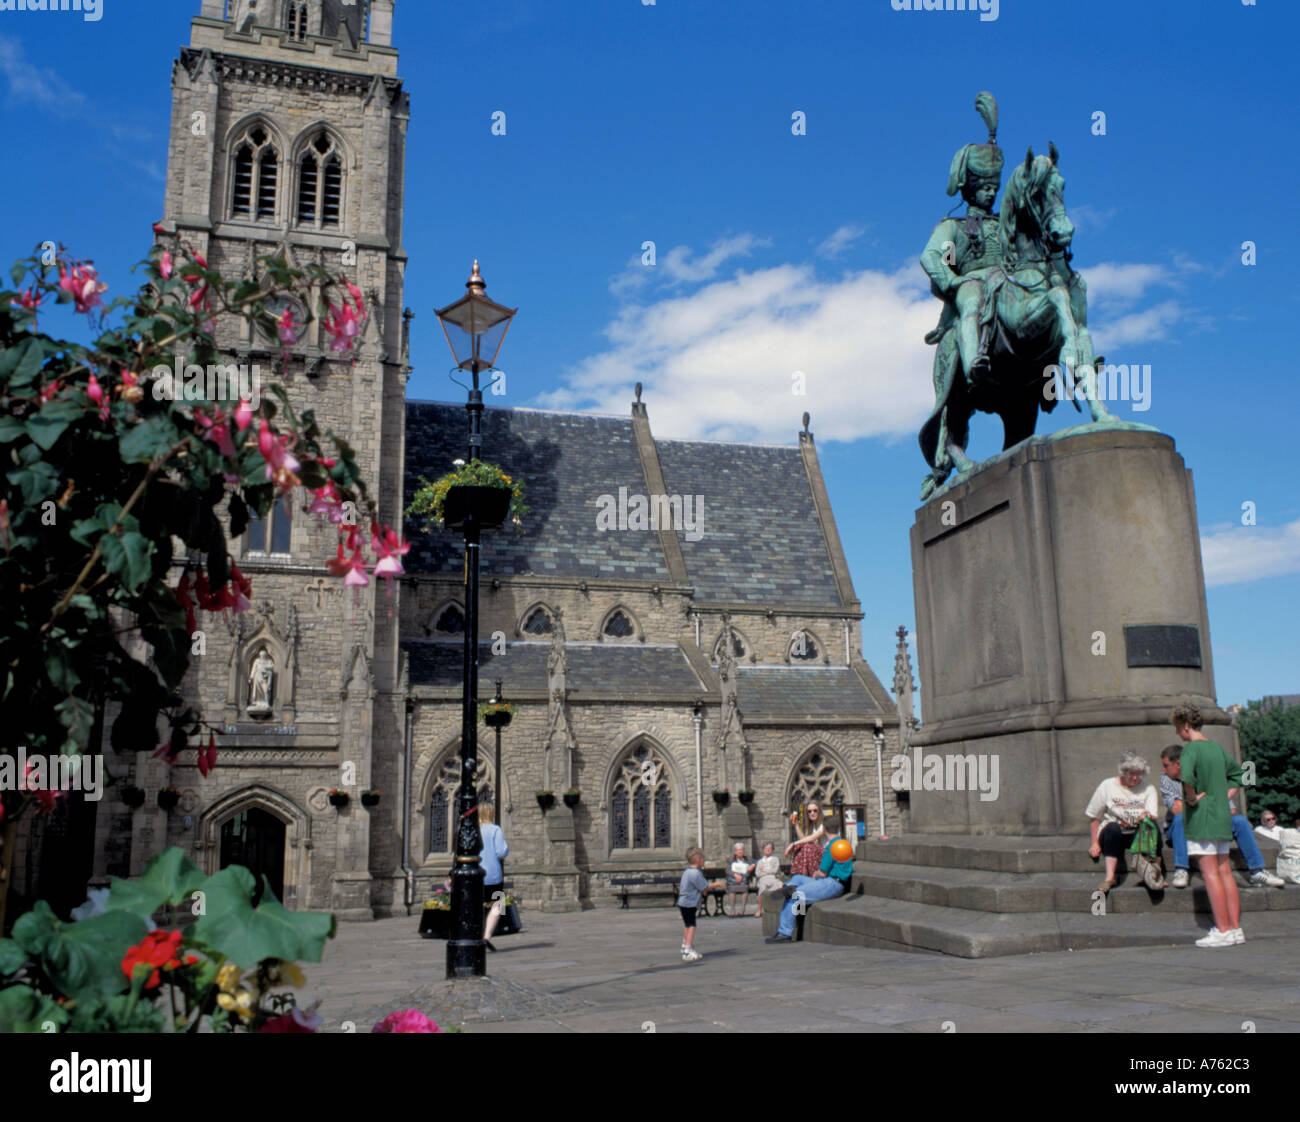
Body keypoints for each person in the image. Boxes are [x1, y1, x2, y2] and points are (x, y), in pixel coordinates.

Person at [1159, 745, 1284, 889]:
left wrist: (1196, 802)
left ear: (1178, 764)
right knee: (1180, 819)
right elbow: (1177, 810)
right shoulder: (1166, 780)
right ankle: (1181, 869)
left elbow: (1230, 810)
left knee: (1240, 821)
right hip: (1183, 827)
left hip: (1210, 823)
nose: (1163, 769)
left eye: (1166, 765)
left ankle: (1257, 871)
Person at [1172, 702, 1243, 947]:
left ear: (1187, 726)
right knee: (1225, 871)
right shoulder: (1216, 748)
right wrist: (1225, 797)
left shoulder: (1191, 749)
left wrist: (1191, 798)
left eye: (1179, 729)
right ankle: (1234, 928)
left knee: (1210, 872)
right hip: (1222, 814)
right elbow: (1239, 775)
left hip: (1201, 816)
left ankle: (1222, 929)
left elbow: (1186, 776)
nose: (1178, 733)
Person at [1085, 752, 1160, 893]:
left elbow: (1152, 814)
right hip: (1113, 830)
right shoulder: (1107, 785)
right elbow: (1094, 816)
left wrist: (1146, 815)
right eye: (1131, 774)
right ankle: (1110, 877)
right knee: (1113, 829)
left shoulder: (1148, 788)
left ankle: (1152, 874)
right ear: (1123, 772)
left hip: (1137, 831)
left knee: (1152, 828)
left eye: (1139, 774)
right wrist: (1094, 843)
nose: (1135, 778)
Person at [765, 831, 852, 944]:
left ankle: (784, 933)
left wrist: (815, 874)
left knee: (795, 895)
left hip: (832, 883)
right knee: (798, 878)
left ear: (825, 830)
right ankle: (786, 888)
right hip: (832, 881)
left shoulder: (832, 847)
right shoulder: (843, 843)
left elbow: (822, 873)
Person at [677, 848, 724, 962]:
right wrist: (718, 883)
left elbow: (699, 887)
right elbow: (705, 886)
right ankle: (687, 950)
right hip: (689, 903)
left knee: (687, 925)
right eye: (703, 859)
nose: (704, 861)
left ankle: (685, 946)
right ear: (697, 860)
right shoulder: (695, 873)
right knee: (692, 925)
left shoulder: (688, 871)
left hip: (683, 902)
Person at [477, 804, 509, 952]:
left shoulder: (473, 830)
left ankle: (475, 935)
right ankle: (486, 936)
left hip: (475, 875)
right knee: (498, 904)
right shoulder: (495, 829)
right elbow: (501, 852)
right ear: (490, 813)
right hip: (493, 875)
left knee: (474, 905)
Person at [1255, 811, 1300, 885]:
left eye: (1273, 819)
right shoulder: (1259, 830)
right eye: (1268, 820)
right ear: (1263, 821)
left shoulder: (1280, 829)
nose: (1271, 821)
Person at [785, 801, 828, 878]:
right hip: (816, 856)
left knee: (807, 847)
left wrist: (793, 843)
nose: (812, 813)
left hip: (827, 855)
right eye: (809, 811)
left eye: (815, 810)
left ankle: (805, 875)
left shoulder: (824, 823)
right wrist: (796, 825)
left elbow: (813, 837)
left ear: (819, 811)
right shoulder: (812, 826)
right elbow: (805, 840)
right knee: (802, 846)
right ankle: (800, 875)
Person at [725, 842, 755, 918]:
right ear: (735, 851)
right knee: (732, 889)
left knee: (745, 888)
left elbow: (755, 863)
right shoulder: (731, 860)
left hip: (744, 879)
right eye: (738, 850)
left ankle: (742, 910)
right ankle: (732, 910)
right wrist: (735, 875)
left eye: (741, 849)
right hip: (733, 880)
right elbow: (728, 870)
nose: (740, 851)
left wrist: (751, 867)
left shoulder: (748, 859)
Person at [753, 842, 782, 919]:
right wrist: (768, 871)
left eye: (770, 848)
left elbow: (775, 870)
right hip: (763, 879)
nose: (768, 850)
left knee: (780, 885)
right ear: (763, 850)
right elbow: (757, 873)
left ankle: (780, 907)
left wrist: (765, 871)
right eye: (766, 848)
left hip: (773, 878)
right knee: (762, 887)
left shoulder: (775, 859)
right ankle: (759, 909)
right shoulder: (760, 861)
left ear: (772, 850)